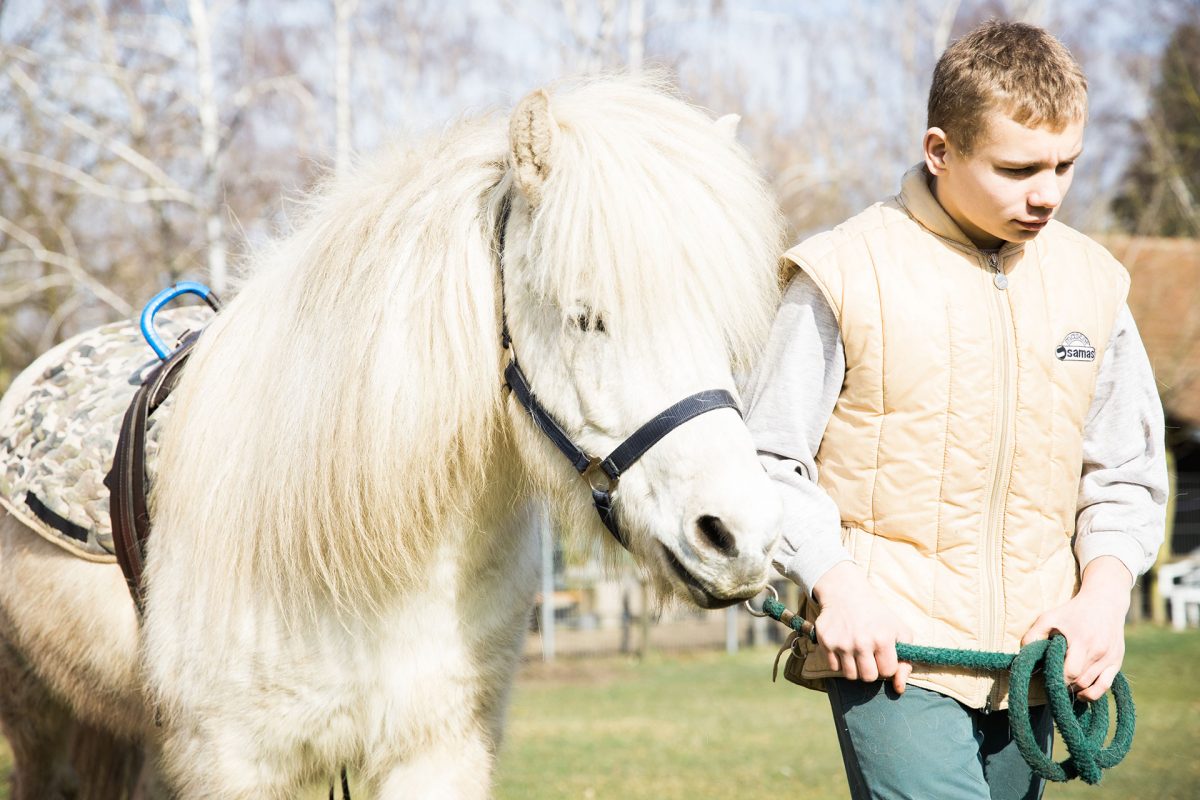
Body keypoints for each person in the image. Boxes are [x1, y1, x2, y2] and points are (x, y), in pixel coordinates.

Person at [743, 19, 1168, 800]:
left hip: (1039, 664)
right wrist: (837, 584)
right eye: (1017, 169)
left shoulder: (1094, 284)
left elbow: (1127, 474)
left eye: (1065, 165)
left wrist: (1103, 599)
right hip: (890, 657)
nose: (1047, 194)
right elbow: (767, 460)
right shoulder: (842, 271)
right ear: (940, 151)